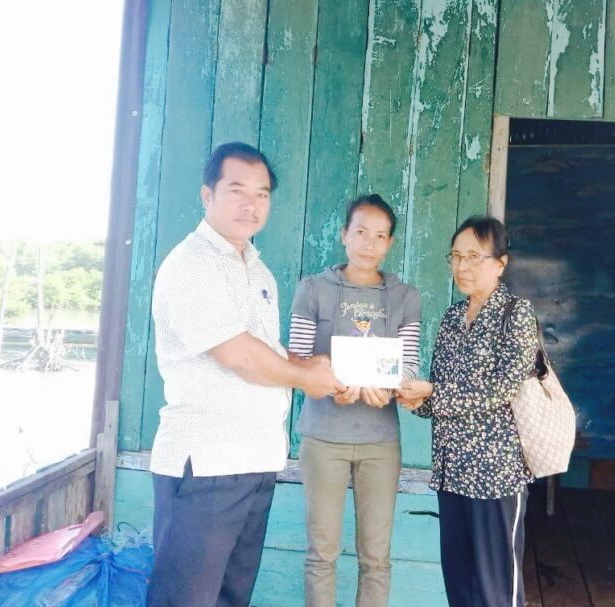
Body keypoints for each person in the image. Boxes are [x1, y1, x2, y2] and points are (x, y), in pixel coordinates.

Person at [147, 142, 344, 607]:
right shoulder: (192, 265)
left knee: (232, 597)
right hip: (206, 463)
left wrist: (309, 366)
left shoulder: (258, 271)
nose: (251, 204)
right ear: (207, 195)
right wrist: (307, 378)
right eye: (237, 190)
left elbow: (265, 350)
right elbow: (240, 356)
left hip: (254, 460)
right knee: (185, 600)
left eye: (262, 194)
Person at [397, 215, 538, 607]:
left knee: (496, 589)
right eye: (456, 256)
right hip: (452, 473)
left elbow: (503, 387)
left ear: (500, 263)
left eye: (474, 257)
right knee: (459, 585)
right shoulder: (451, 318)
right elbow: (441, 392)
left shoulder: (516, 313)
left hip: (494, 475)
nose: (462, 266)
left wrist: (433, 393)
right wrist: (417, 401)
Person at [288, 194, 421, 607]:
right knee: (321, 554)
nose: (369, 243)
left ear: (390, 243)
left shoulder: (405, 297)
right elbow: (296, 361)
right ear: (344, 234)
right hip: (323, 438)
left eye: (380, 236)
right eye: (361, 232)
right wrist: (331, 387)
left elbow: (409, 365)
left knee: (376, 558)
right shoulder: (313, 289)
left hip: (380, 442)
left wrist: (393, 387)